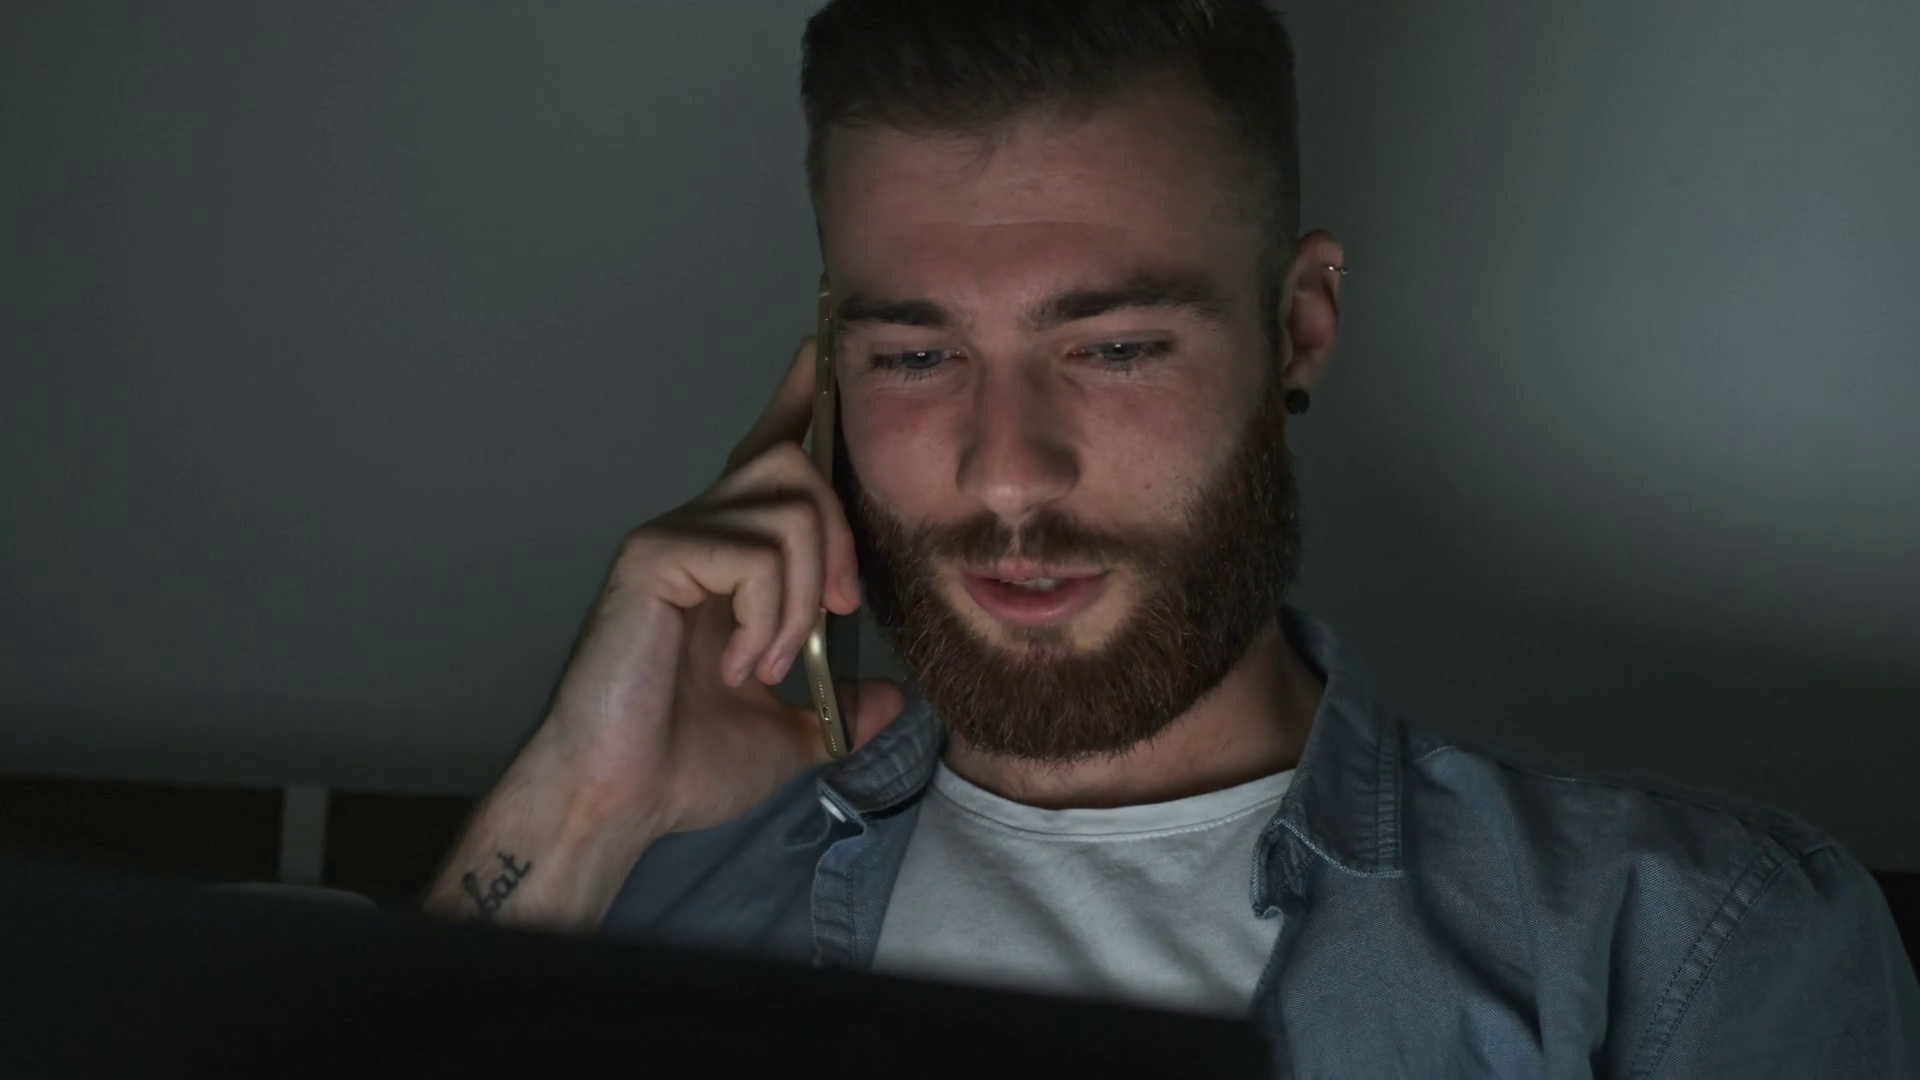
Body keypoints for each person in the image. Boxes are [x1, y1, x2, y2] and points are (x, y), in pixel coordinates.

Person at [425, 1, 1920, 1073]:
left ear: (1300, 326)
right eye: (917, 355)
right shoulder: (620, 899)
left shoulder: (1686, 945)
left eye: (1118, 347)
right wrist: (573, 817)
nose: (1008, 469)